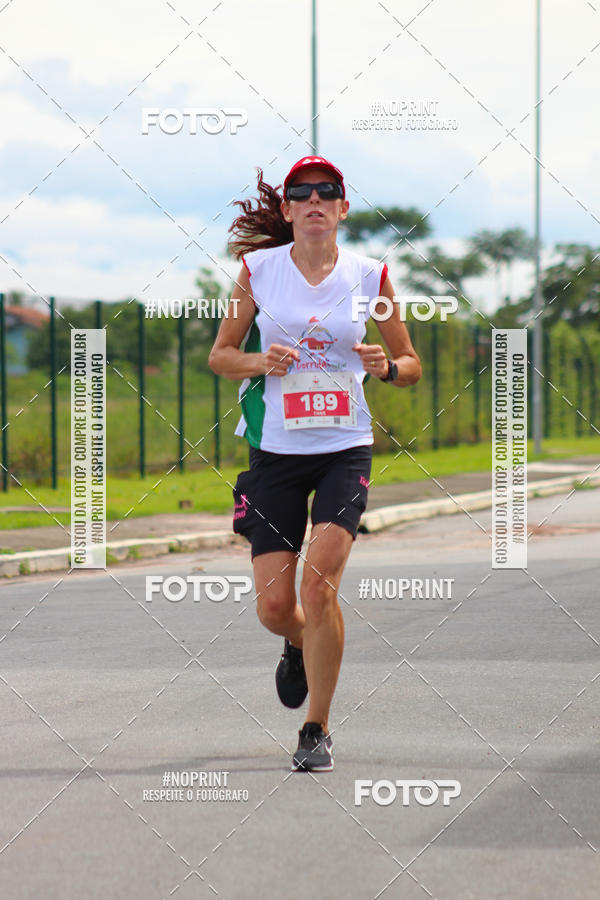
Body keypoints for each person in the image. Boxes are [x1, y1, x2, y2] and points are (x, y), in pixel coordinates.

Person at [208, 155, 421, 772]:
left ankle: (316, 728)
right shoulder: (257, 272)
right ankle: (298, 644)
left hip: (343, 449)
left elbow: (410, 364)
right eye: (301, 192)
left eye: (327, 191)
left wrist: (386, 367)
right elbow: (221, 355)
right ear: (287, 209)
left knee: (318, 582)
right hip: (275, 452)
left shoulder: (370, 277)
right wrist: (257, 363)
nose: (314, 200)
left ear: (343, 209)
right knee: (276, 609)